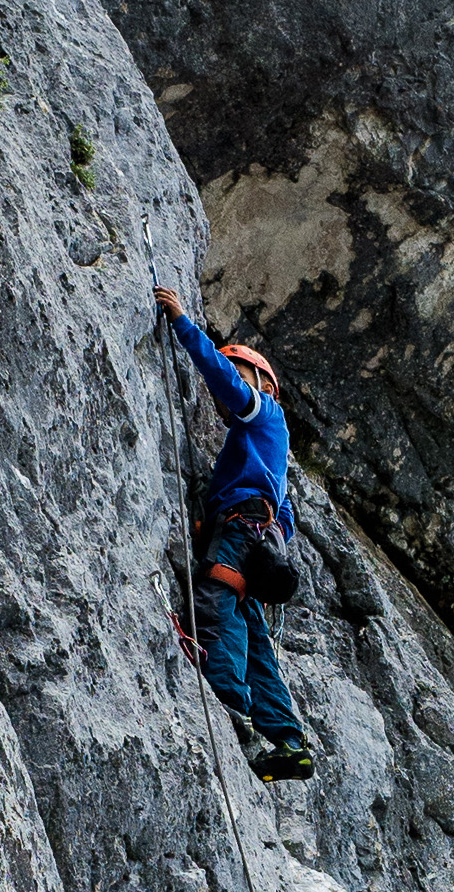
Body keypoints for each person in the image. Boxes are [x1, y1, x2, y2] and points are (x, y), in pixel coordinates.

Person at [155, 286, 314, 782]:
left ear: (263, 383)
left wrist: (185, 326)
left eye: (242, 371)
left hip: (241, 529)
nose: (227, 397)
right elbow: (283, 515)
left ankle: (230, 704)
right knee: (257, 640)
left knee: (217, 600)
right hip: (258, 536)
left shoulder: (266, 414)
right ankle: (288, 741)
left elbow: (230, 386)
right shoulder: (271, 459)